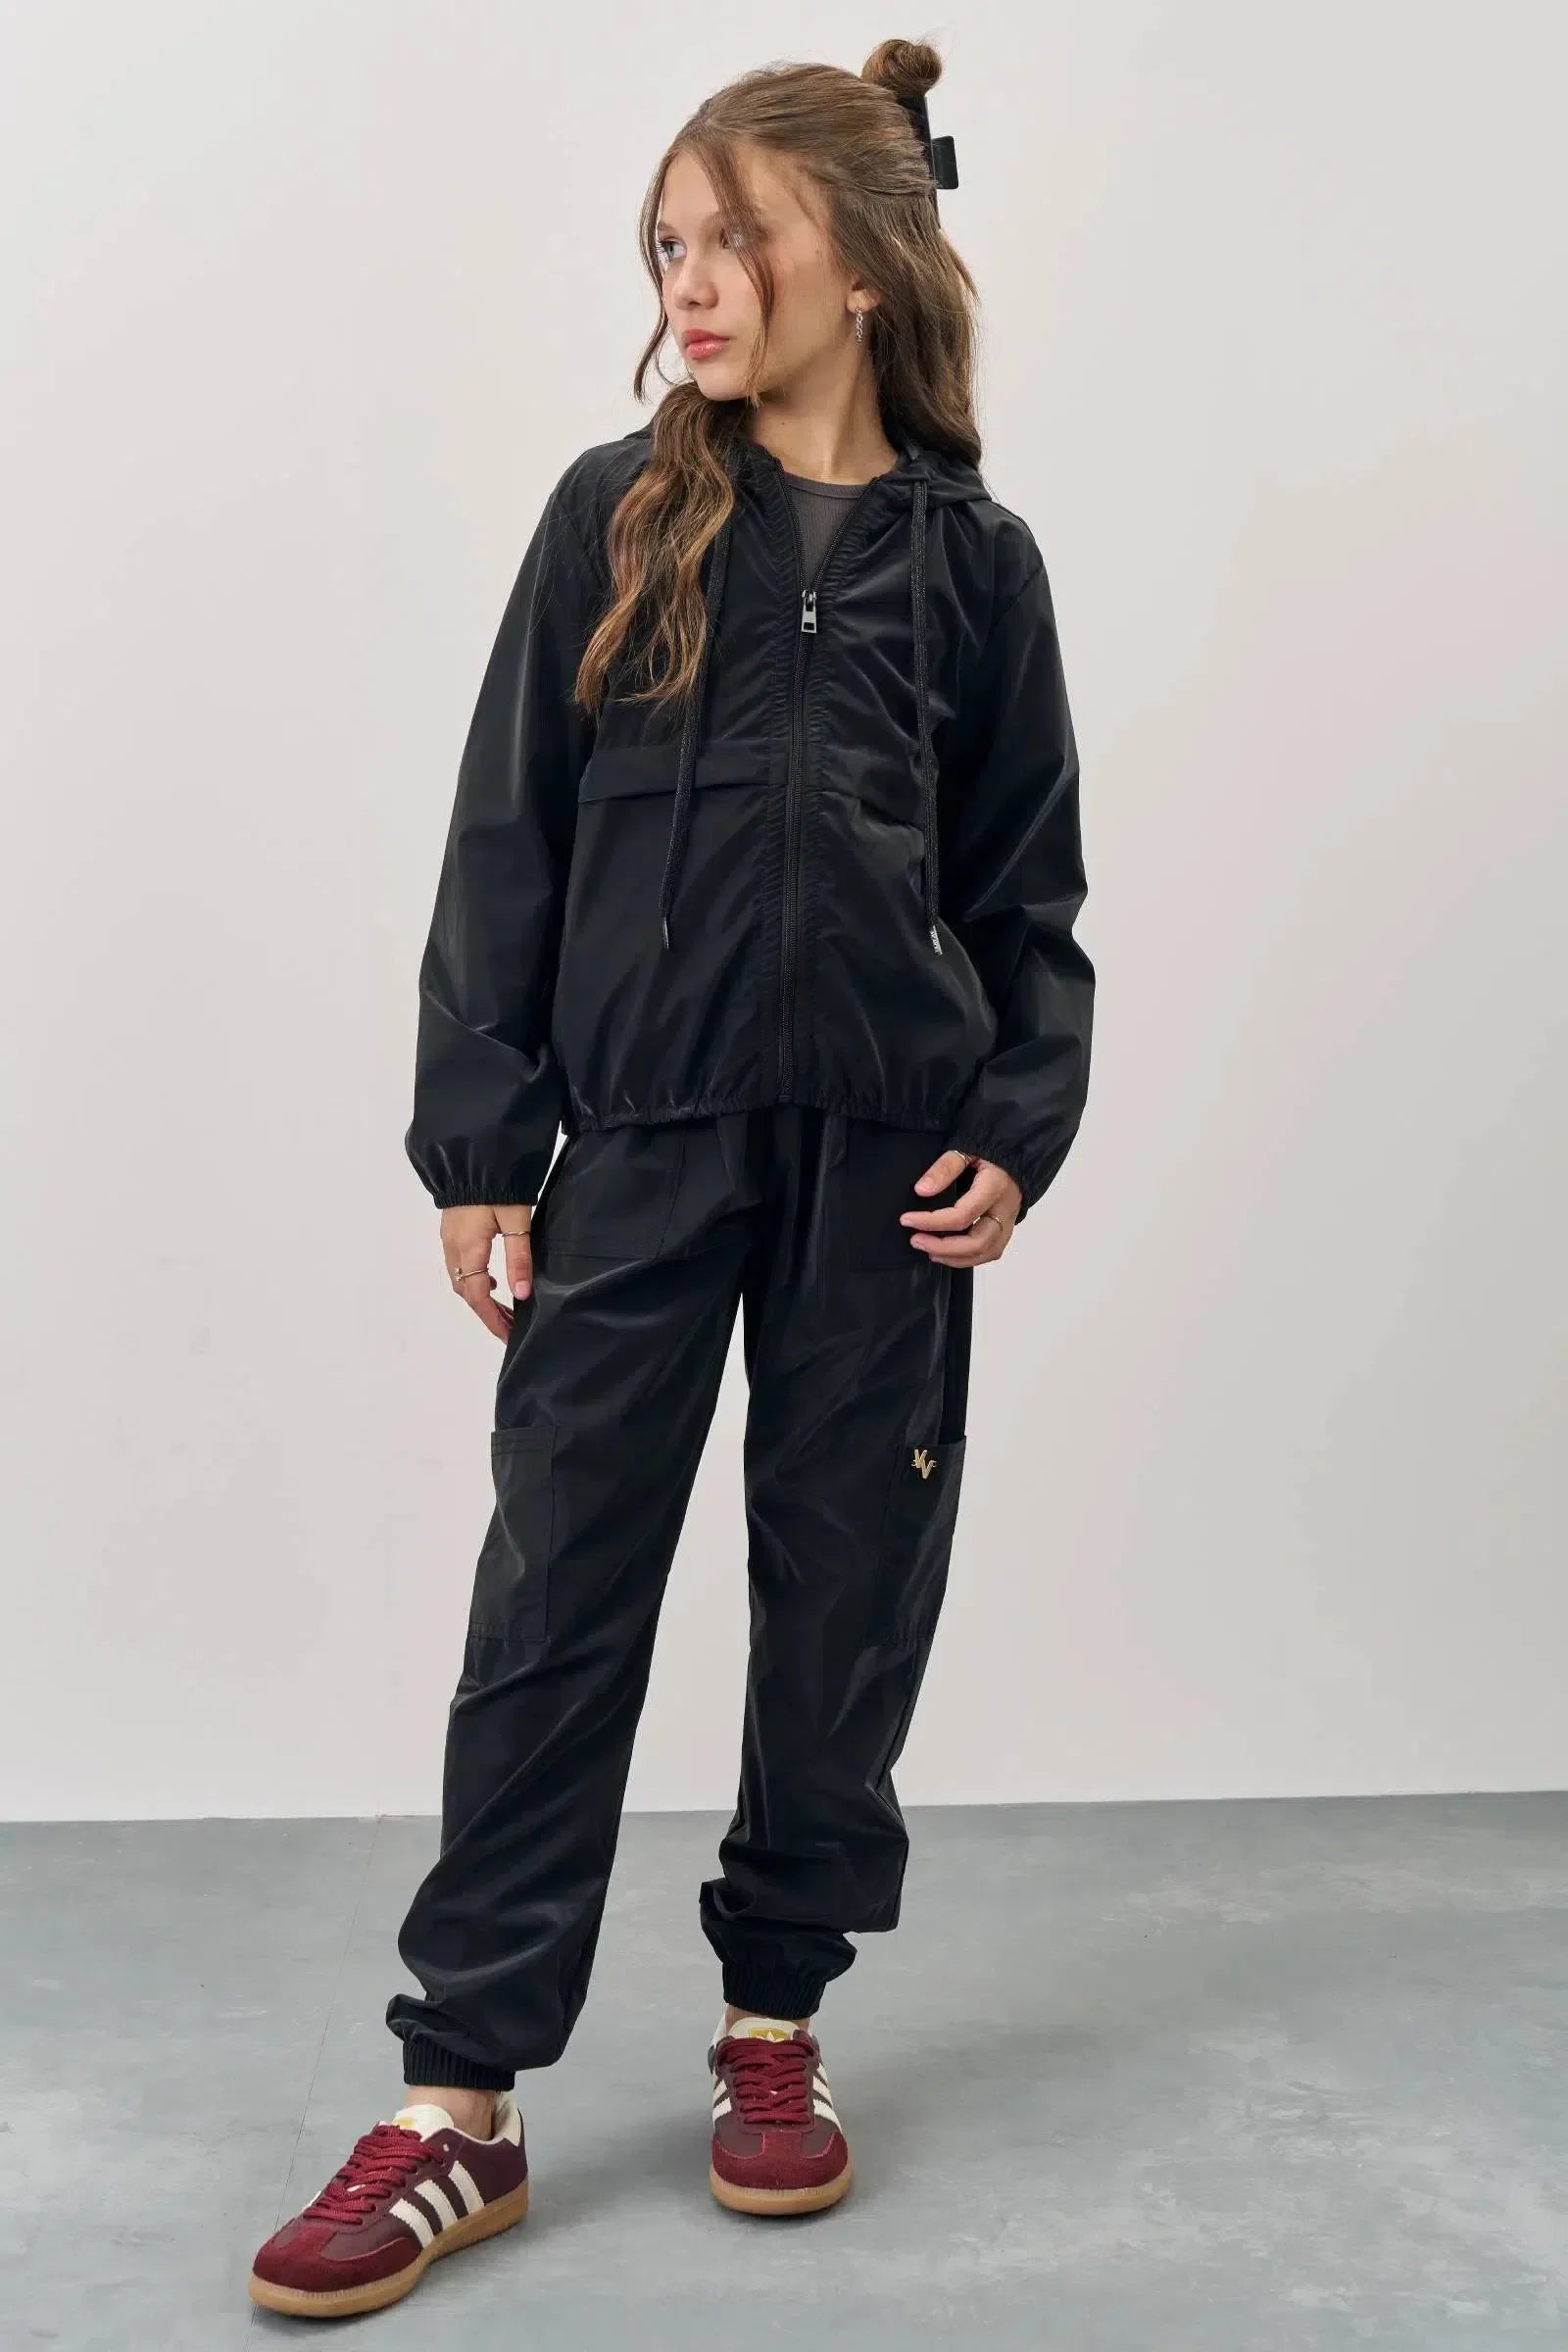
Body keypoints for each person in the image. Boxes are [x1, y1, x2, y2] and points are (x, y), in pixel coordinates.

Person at [248, 33, 1093, 2320]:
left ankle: (772, 2021)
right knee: (556, 1605)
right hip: (631, 1152)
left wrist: (1014, 1130)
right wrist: (478, 1141)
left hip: (882, 1176)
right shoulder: (612, 519)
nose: (688, 284)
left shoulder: (973, 566)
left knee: (842, 1600)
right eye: (665, 247)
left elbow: (1026, 900)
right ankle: (456, 2105)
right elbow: (503, 838)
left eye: (735, 240)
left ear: (864, 260)